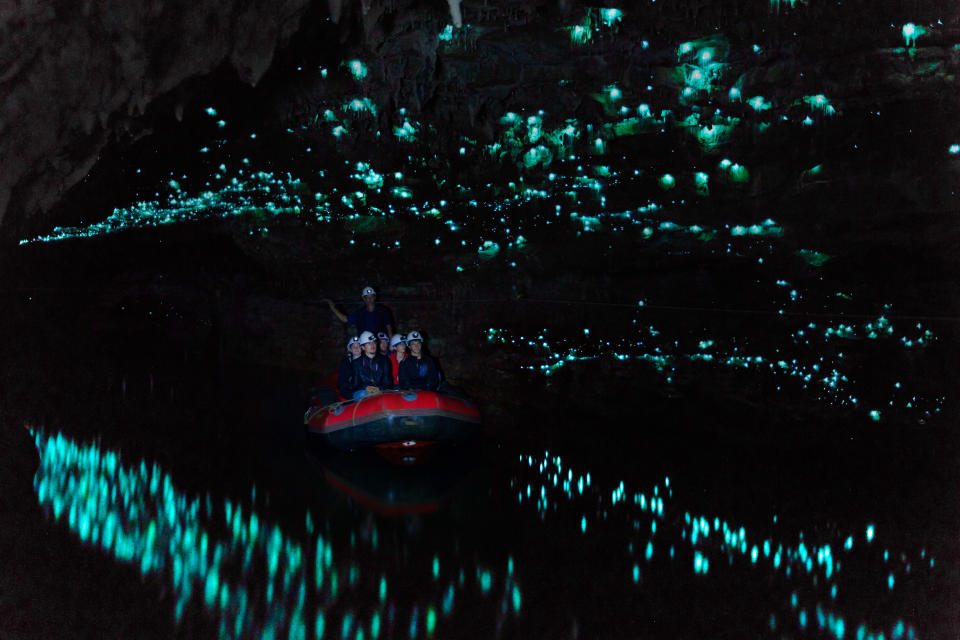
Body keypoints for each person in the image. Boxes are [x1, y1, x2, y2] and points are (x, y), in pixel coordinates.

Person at [326, 286, 394, 338]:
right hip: (365, 344)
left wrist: (391, 344)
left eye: (371, 297)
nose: (370, 299)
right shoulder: (360, 313)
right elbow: (345, 319)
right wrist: (333, 308)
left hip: (381, 344)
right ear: (364, 299)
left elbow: (389, 329)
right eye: (367, 297)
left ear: (375, 297)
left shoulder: (383, 311)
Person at [350, 331, 394, 399]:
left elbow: (389, 383)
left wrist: (379, 388)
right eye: (368, 343)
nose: (372, 345)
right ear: (363, 347)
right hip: (364, 392)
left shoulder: (385, 360)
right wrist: (366, 387)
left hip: (381, 391)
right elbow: (355, 384)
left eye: (374, 342)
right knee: (361, 394)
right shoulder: (356, 363)